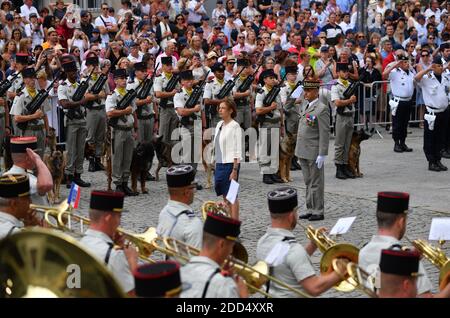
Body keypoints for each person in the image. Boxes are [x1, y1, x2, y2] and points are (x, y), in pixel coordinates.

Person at [256, 187, 347, 297]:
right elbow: (314, 287)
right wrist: (340, 271)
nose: (297, 216)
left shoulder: (262, 242)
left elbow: (284, 262)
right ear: (291, 216)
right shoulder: (294, 250)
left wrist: (313, 244)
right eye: (296, 212)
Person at [358, 191, 434, 297]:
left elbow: (378, 286)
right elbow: (426, 297)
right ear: (401, 221)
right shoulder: (406, 257)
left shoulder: (363, 252)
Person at [79, 190, 137, 295]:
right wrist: (131, 261)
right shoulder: (114, 255)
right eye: (119, 216)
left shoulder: (77, 246)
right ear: (108, 218)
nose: (119, 222)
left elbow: (71, 287)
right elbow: (132, 295)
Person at [179, 211, 248, 298]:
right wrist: (243, 295)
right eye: (231, 246)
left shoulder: (179, 273)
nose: (231, 252)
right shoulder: (224, 285)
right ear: (221, 244)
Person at [295, 80, 330, 222]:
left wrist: (322, 153)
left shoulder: (322, 108)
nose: (306, 93)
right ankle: (310, 208)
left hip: (314, 151)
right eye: (304, 91)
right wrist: (295, 92)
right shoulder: (305, 105)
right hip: (302, 149)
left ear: (316, 91)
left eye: (308, 91)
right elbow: (289, 105)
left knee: (316, 182)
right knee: (308, 181)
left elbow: (324, 132)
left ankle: (318, 210)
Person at [58, 59, 91, 188]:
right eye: (71, 71)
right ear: (66, 72)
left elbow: (86, 100)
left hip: (82, 119)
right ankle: (69, 176)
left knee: (81, 149)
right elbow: (64, 103)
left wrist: (82, 102)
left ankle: (78, 175)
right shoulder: (63, 86)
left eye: (75, 71)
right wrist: (80, 102)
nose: (74, 73)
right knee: (71, 149)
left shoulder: (80, 85)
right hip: (71, 121)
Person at [105, 68, 138, 196]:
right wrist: (124, 111)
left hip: (129, 129)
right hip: (118, 130)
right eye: (121, 79)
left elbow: (133, 112)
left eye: (125, 78)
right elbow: (110, 113)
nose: (124, 81)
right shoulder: (112, 96)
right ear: (116, 80)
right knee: (117, 157)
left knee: (128, 157)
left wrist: (135, 129)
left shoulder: (129, 94)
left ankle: (125, 182)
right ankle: (118, 183)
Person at [414, 56, 449, 172]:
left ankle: (438, 159)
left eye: (440, 66)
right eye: (437, 66)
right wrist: (428, 69)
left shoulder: (444, 77)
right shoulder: (427, 78)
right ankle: (431, 161)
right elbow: (416, 78)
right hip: (432, 113)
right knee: (430, 138)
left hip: (443, 112)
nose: (440, 68)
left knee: (440, 138)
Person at [157, 164, 203, 249]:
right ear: (187, 192)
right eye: (193, 188)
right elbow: (198, 261)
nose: (195, 192)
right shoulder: (192, 224)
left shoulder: (164, 212)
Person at [10, 67, 50, 159]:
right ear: (24, 80)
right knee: (29, 160)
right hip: (28, 131)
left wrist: (47, 134)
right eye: (30, 78)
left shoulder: (40, 94)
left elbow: (45, 115)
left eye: (34, 77)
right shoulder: (21, 96)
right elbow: (17, 118)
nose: (33, 80)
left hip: (41, 130)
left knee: (40, 160)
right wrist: (33, 116)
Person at [174, 70, 203, 189]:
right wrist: (193, 110)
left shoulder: (197, 93)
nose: (189, 82)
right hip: (185, 126)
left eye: (191, 80)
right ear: (181, 82)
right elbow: (181, 111)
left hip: (197, 124)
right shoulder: (179, 94)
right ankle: (184, 178)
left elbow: (202, 110)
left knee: (195, 155)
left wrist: (204, 126)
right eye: (186, 80)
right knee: (186, 154)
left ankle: (192, 178)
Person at [213, 98, 242, 220]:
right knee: (225, 195)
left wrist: (235, 170)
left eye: (223, 108)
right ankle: (229, 221)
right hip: (220, 163)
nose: (220, 110)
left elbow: (237, 149)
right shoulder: (219, 124)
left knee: (232, 195)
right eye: (219, 108)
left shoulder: (235, 126)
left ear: (230, 111)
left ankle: (234, 224)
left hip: (231, 164)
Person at [3, 137, 52, 206]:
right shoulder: (27, 180)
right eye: (35, 154)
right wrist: (38, 160)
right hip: (37, 216)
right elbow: (46, 185)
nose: (38, 156)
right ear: (28, 157)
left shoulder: (4, 176)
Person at [255, 69, 284, 185]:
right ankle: (266, 174)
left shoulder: (277, 91)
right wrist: (270, 108)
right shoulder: (261, 93)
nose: (273, 80)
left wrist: (282, 125)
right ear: (265, 80)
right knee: (265, 149)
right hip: (266, 123)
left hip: (276, 122)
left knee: (275, 150)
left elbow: (280, 109)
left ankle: (273, 172)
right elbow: (258, 110)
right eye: (271, 78)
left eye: (274, 78)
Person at [382, 54, 415, 153]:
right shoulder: (395, 72)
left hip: (408, 101)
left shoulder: (411, 73)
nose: (406, 64)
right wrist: (395, 65)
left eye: (407, 62)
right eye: (404, 62)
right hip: (398, 101)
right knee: (397, 124)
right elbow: (384, 75)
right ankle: (396, 143)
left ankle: (403, 142)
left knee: (405, 123)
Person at [331, 62, 356, 180]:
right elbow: (337, 102)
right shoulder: (335, 86)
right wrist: (349, 101)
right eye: (344, 71)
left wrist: (351, 101)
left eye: (347, 71)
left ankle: (345, 165)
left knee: (347, 143)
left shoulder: (350, 85)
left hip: (350, 115)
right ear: (339, 72)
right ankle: (338, 167)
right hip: (341, 116)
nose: (346, 73)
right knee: (340, 144)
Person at [84, 56, 109, 173]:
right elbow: (86, 96)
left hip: (101, 108)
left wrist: (98, 95)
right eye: (93, 66)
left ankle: (98, 159)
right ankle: (91, 160)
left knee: (101, 136)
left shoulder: (102, 78)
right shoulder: (85, 79)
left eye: (96, 65)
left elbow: (107, 93)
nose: (95, 68)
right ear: (88, 67)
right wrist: (98, 95)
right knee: (91, 137)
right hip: (91, 110)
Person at [127, 61, 156, 144]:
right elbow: (131, 103)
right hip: (138, 117)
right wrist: (145, 101)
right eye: (142, 71)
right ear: (136, 72)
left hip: (150, 116)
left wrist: (156, 119)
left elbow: (153, 102)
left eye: (145, 71)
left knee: (149, 144)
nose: (145, 73)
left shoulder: (148, 83)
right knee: (139, 144)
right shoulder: (131, 85)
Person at [0, 174, 35, 239]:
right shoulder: (14, 233)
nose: (31, 202)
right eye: (28, 199)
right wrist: (46, 232)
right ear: (14, 204)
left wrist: (28, 227)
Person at [154, 56, 179, 146]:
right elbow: (158, 94)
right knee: (163, 134)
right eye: (167, 65)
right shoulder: (159, 78)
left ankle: (170, 157)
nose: (169, 67)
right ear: (163, 66)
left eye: (170, 65)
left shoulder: (174, 77)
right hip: (165, 108)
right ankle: (161, 157)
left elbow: (178, 90)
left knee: (173, 135)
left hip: (174, 107)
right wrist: (171, 94)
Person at [203, 62, 228, 129]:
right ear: (214, 73)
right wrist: (221, 101)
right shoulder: (210, 84)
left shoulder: (227, 83)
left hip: (227, 114)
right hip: (216, 113)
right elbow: (206, 101)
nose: (222, 73)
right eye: (219, 71)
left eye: (223, 71)